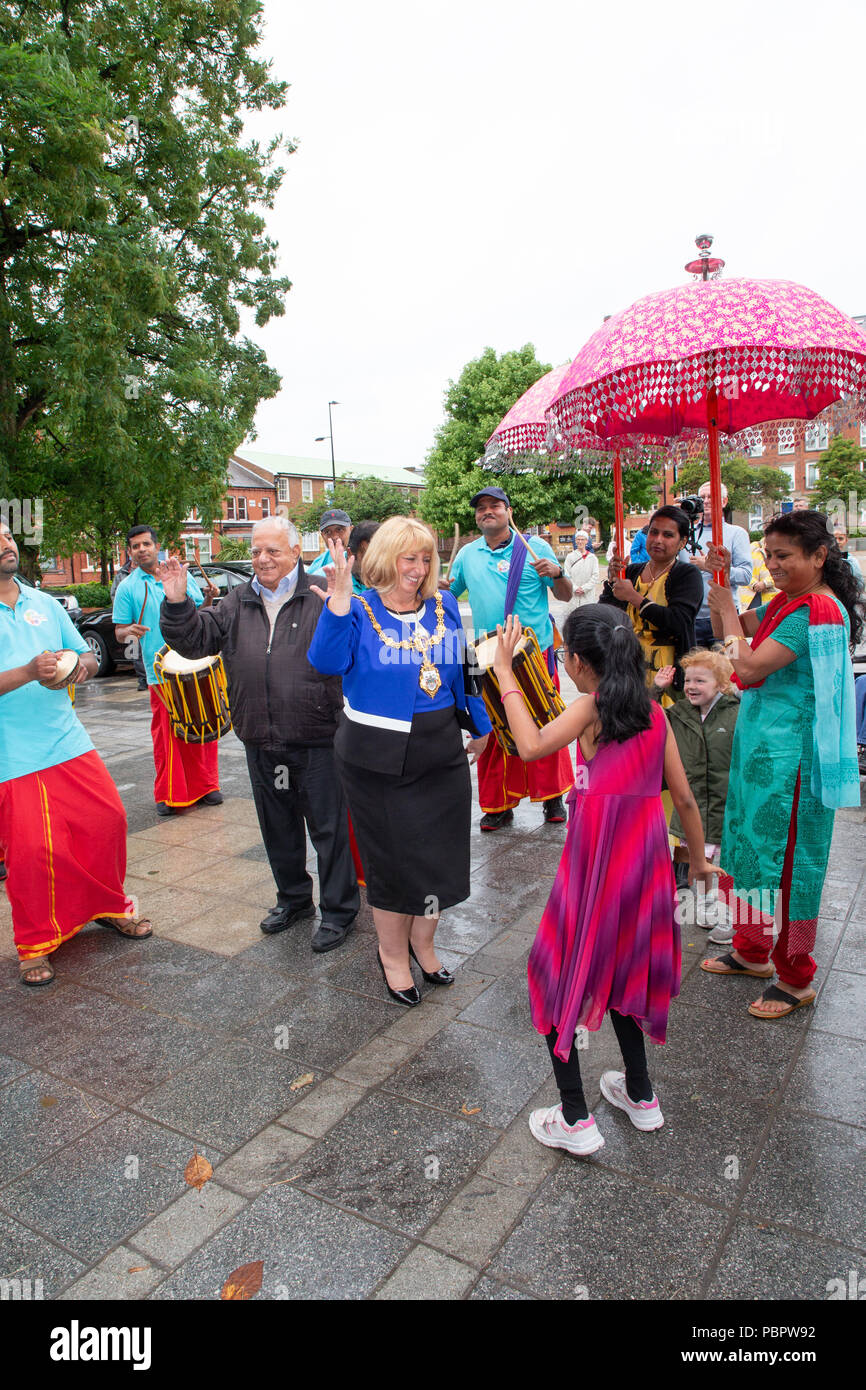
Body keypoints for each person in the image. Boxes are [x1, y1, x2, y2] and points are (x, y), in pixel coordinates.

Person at [492, 606, 716, 1155]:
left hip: (596, 865)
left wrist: (504, 676)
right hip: (645, 865)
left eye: (565, 653)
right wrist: (701, 862)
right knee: (624, 972)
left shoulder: (591, 709)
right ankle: (641, 1097)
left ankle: (575, 1119)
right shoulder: (652, 711)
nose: (564, 662)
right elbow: (684, 798)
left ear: (581, 663)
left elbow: (530, 746)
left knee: (555, 970)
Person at [308, 516, 492, 1004]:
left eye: (426, 558)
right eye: (409, 558)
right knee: (394, 864)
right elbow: (325, 663)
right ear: (385, 559)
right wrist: (339, 605)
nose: (418, 568)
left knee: (438, 858)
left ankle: (423, 944)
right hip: (377, 756)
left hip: (440, 750)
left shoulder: (444, 604)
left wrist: (480, 725)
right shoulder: (356, 607)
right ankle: (391, 956)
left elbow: (466, 666)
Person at [158, 516, 360, 952]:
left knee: (329, 831)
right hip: (261, 738)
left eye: (272, 550)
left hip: (318, 738)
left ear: (294, 553)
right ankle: (293, 899)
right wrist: (177, 604)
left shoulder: (320, 596)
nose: (262, 559)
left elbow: (351, 650)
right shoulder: (236, 601)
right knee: (278, 826)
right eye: (255, 551)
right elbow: (194, 641)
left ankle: (340, 910)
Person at [700, 511, 862, 1018]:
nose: (773, 565)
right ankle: (752, 952)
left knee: (792, 866)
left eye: (784, 555)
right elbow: (752, 628)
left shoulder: (815, 609)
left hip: (794, 766)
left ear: (819, 556)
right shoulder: (789, 603)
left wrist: (724, 611)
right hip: (764, 758)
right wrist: (724, 584)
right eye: (768, 555)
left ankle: (796, 976)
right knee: (750, 852)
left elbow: (745, 666)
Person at [0, 521, 152, 986]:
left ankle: (107, 905)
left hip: (66, 739)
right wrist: (28, 671)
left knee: (107, 821)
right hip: (13, 753)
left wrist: (78, 669)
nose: (6, 543)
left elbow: (84, 655)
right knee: (31, 851)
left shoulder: (44, 603)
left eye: (7, 534)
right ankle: (35, 942)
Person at [442, 486, 574, 830]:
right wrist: (437, 586)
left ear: (509, 511)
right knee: (493, 727)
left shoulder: (536, 547)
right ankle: (499, 804)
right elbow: (449, 596)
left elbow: (565, 593)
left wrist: (558, 575)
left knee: (545, 721)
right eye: (481, 507)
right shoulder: (468, 555)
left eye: (494, 506)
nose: (487, 511)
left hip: (532, 654)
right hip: (485, 656)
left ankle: (552, 798)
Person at [113, 525, 222, 817]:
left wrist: (211, 596)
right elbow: (119, 632)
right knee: (168, 735)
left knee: (203, 723)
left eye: (146, 544)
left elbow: (201, 612)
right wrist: (128, 631)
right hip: (159, 671)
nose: (141, 549)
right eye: (135, 546)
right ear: (130, 552)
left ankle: (208, 786)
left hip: (194, 662)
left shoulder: (177, 575)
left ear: (156, 546)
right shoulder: (127, 587)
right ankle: (170, 793)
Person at [654, 649, 740, 944]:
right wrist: (655, 689)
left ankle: (729, 914)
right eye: (688, 680)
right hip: (692, 805)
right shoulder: (678, 713)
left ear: (722, 684)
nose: (691, 686)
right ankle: (705, 907)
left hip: (726, 804)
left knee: (726, 863)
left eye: (700, 681)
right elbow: (642, 716)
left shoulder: (736, 712)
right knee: (699, 860)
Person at [600, 505, 704, 703]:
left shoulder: (687, 575)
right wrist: (612, 581)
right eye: (653, 532)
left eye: (667, 535)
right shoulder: (631, 571)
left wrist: (634, 597)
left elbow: (679, 622)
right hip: (629, 672)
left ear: (682, 542)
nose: (658, 540)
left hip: (669, 677)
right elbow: (605, 615)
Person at [686, 482, 752, 647]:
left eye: (711, 497)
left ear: (724, 502)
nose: (706, 501)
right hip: (692, 618)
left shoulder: (736, 533)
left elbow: (745, 576)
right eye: (702, 498)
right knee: (695, 670)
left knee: (730, 666)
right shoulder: (686, 534)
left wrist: (712, 568)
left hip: (726, 616)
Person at [111, 552, 148, 688]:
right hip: (129, 619)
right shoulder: (122, 573)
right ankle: (142, 678)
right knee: (134, 648)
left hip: (144, 615)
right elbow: (114, 593)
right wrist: (124, 610)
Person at [563, 530, 599, 612]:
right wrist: (575, 588)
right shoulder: (570, 557)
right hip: (573, 595)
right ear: (575, 541)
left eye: (582, 539)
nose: (580, 542)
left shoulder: (592, 558)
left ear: (586, 541)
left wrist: (584, 588)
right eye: (578, 539)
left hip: (588, 595)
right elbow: (566, 574)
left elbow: (595, 576)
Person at [737, 538, 778, 611]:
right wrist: (754, 584)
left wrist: (765, 583)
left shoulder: (782, 548)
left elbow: (783, 572)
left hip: (772, 599)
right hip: (750, 598)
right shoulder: (752, 547)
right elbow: (742, 569)